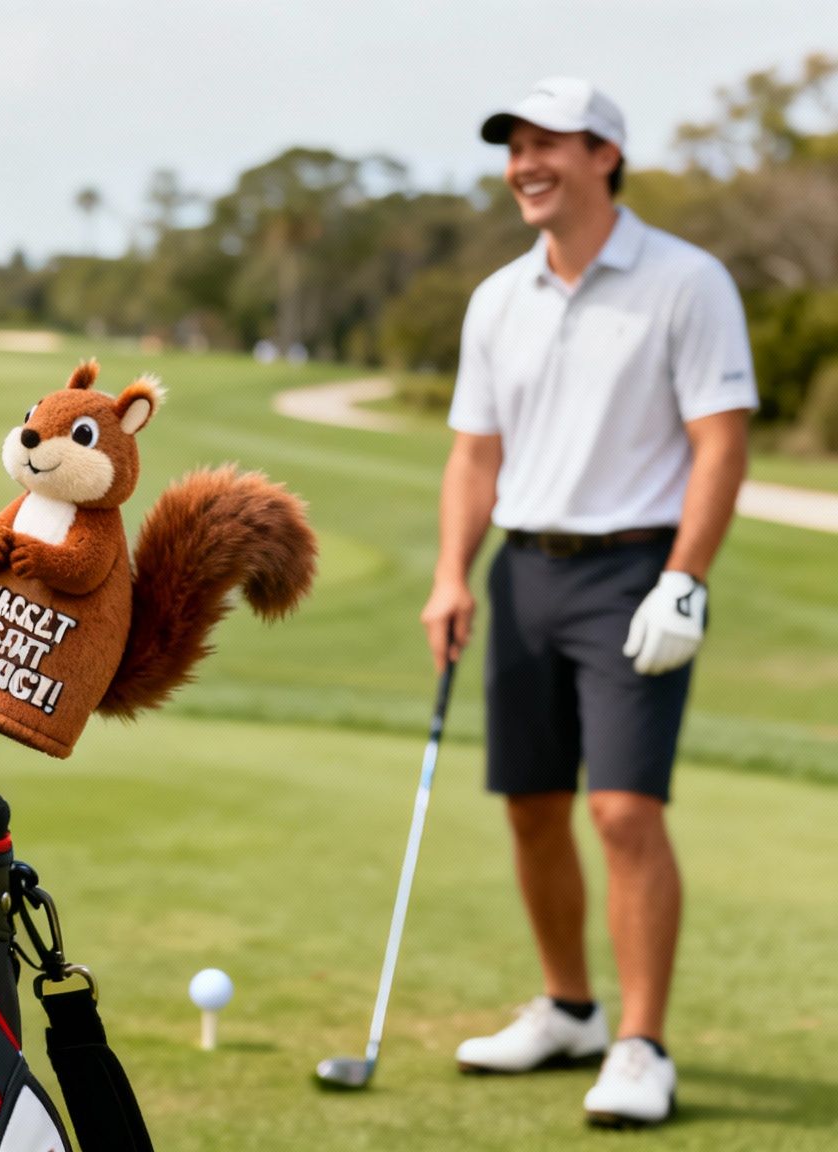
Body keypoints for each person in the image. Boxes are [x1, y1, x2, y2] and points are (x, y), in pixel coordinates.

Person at [421, 79, 755, 1127]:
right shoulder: (495, 298)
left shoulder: (683, 281)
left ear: (604, 152)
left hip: (633, 572)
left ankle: (640, 1045)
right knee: (529, 805)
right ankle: (567, 1007)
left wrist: (683, 579)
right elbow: (474, 455)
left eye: (545, 144)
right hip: (523, 571)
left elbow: (719, 441)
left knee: (620, 809)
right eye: (512, 146)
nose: (523, 162)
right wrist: (449, 574)